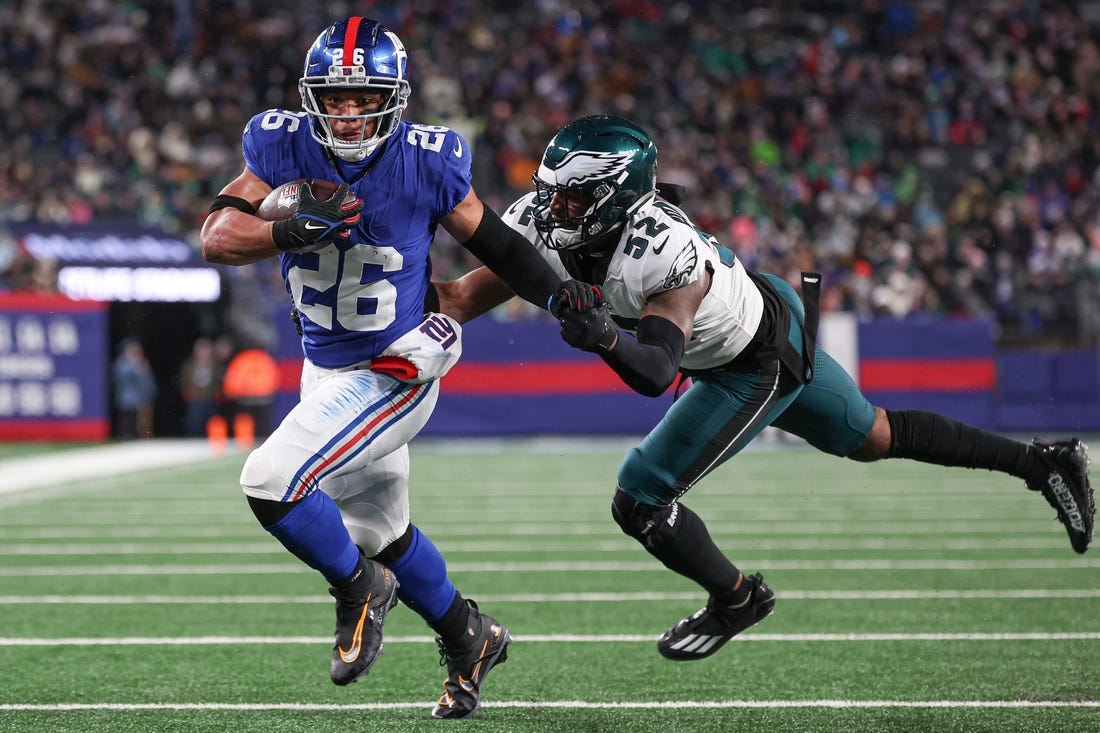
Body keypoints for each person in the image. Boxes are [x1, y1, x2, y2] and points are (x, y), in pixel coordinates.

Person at [435, 114, 1095, 662]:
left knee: (638, 496)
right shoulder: (550, 222)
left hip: (753, 356)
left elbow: (656, 371)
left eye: (573, 197)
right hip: (759, 308)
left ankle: (737, 596)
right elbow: (461, 298)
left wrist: (603, 335)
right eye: (552, 190)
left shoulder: (663, 252)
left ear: (617, 199)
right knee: (875, 436)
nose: (553, 207)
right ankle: (1043, 461)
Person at [199, 17, 577, 718]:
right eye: (333, 98)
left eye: (361, 97)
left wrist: (561, 297)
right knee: (379, 528)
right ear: (313, 98)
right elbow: (218, 236)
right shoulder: (281, 145)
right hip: (325, 366)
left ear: (392, 98)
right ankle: (470, 635)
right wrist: (286, 227)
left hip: (395, 366)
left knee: (270, 479)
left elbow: (499, 244)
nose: (346, 112)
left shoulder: (428, 159)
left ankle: (359, 590)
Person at [112, 337, 157, 439]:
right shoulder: (122, 363)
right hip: (126, 400)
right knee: (127, 422)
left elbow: (148, 382)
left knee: (143, 424)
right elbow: (120, 378)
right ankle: (126, 438)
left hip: (142, 399)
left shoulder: (142, 363)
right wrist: (135, 366)